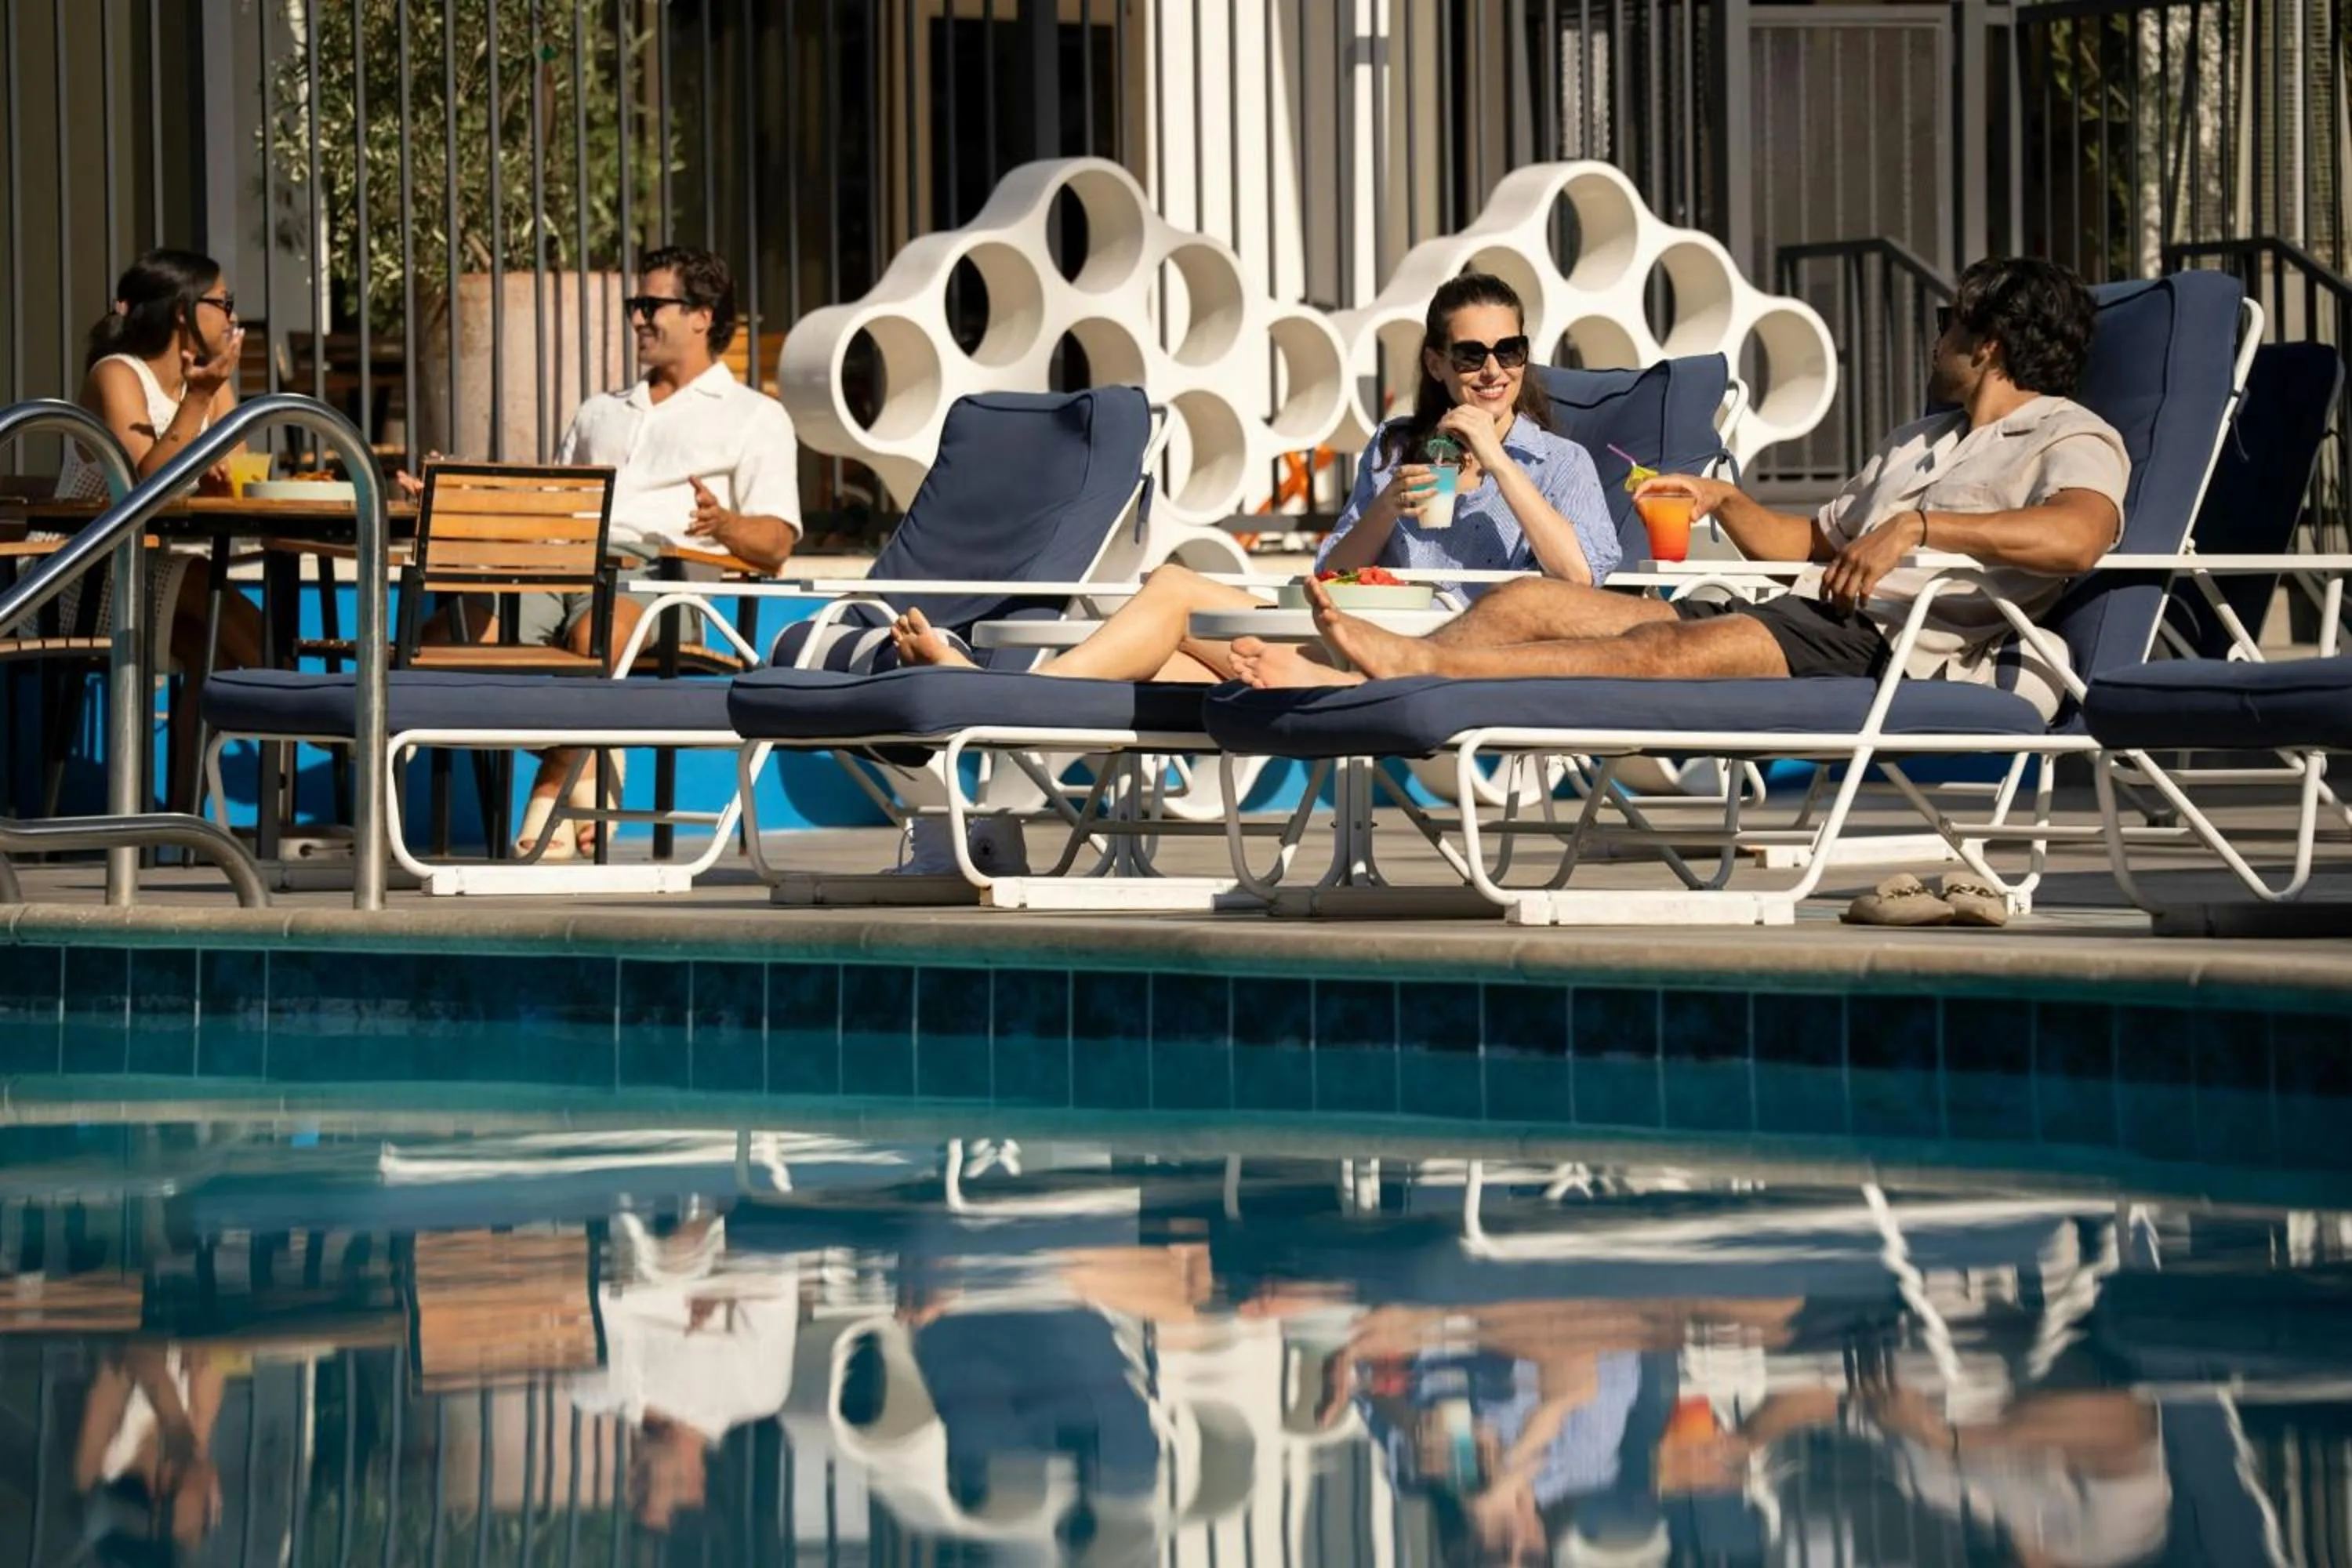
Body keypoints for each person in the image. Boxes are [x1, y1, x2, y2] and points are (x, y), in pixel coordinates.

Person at [1232, 256, 2129, 726]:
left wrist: (1921, 527)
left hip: (1887, 644)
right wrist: (1723, 501)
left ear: (1993, 343)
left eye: (1949, 324)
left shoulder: (2070, 435)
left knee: (1660, 652)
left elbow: (2079, 536)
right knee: (1533, 599)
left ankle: (1418, 670)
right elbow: (1803, 544)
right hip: (1803, 611)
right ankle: (1384, 672)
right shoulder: (1921, 439)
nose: (1937, 340)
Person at [885, 268, 1617, 681]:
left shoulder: (1563, 462)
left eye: (1509, 351)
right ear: (1435, 363)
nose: (1493, 370)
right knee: (1168, 621)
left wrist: (1495, 459)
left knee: (1174, 618)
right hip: (1351, 637)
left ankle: (1001, 702)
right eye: (1470, 355)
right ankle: (1011, 705)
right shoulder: (1399, 448)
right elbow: (1330, 580)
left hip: (1451, 665)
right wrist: (1387, 509)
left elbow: (1580, 585)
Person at [400, 245, 802, 855]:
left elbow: (776, 545)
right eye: (635, 305)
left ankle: (556, 784)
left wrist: (722, 524)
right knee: (443, 644)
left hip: (661, 581)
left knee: (597, 640)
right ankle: (592, 754)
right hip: (559, 565)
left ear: (702, 315)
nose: (638, 318)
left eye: (651, 304)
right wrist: (466, 494)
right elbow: (555, 504)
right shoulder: (600, 411)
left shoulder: (755, 416)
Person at [18, 251, 266, 796]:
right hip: (72, 573)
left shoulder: (212, 382)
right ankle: (329, 713)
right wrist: (198, 398)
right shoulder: (117, 374)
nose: (232, 317)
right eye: (222, 303)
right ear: (183, 312)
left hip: (146, 566)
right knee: (206, 589)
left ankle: (180, 821)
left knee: (208, 633)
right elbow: (142, 486)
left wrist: (224, 472)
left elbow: (238, 472)